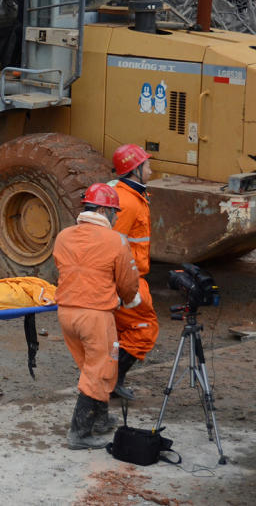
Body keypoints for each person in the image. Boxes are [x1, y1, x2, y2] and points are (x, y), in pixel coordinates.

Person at [53, 183, 141, 450]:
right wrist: (129, 299)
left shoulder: (64, 236)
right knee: (99, 371)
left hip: (66, 313)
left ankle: (100, 420)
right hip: (95, 315)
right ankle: (79, 434)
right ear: (104, 210)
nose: (114, 217)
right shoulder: (114, 241)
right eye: (113, 211)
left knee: (91, 368)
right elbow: (127, 284)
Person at [108, 144, 160, 400]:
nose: (151, 169)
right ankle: (111, 381)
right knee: (144, 328)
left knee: (121, 332)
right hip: (128, 279)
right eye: (147, 165)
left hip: (128, 276)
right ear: (135, 170)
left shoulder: (131, 196)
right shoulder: (128, 202)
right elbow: (111, 244)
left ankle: (110, 381)